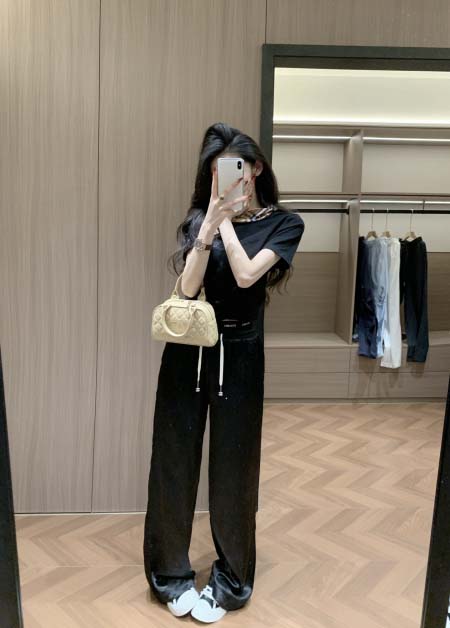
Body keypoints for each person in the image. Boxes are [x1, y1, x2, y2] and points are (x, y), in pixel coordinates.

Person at [143, 122, 305, 623]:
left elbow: (246, 274)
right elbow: (187, 290)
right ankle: (170, 576)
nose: (227, 180)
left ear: (255, 170)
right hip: (189, 350)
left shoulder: (285, 223)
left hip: (240, 354)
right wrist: (208, 226)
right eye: (217, 173)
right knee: (173, 461)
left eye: (235, 170)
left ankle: (230, 582)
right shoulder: (201, 218)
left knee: (235, 470)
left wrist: (228, 224)